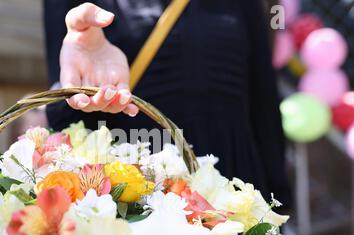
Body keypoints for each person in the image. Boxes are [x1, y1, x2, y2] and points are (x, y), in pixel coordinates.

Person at [43, 0, 291, 206]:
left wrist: (277, 207)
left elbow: (263, 103)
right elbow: (69, 116)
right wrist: (79, 86)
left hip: (233, 183)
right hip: (138, 192)